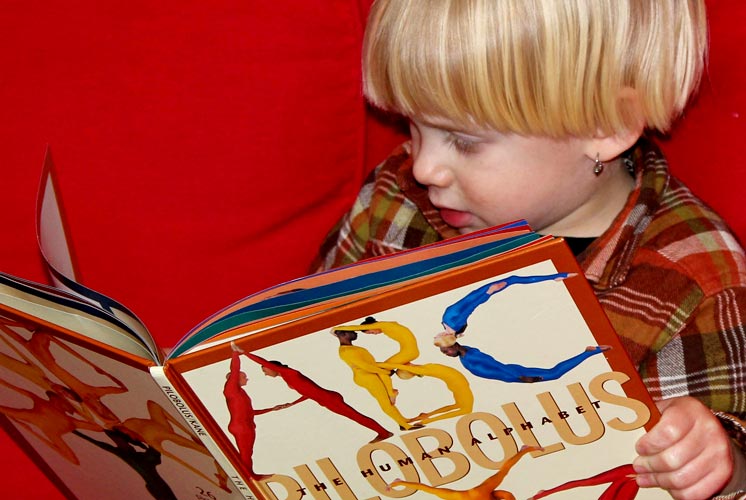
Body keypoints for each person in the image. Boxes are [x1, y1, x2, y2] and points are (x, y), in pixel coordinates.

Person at [314, 1, 746, 498]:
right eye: (413, 126)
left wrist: (720, 461)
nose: (424, 167)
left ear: (605, 126)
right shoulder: (396, 203)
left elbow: (729, 439)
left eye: (463, 140)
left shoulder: (693, 276)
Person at [242, 350, 393, 442]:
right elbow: (309, 392)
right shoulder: (286, 377)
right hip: (326, 400)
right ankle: (382, 432)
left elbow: (264, 362)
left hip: (329, 398)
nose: (265, 374)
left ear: (271, 367)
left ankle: (384, 432)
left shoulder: (290, 373)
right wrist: (292, 403)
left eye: (265, 370)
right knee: (355, 417)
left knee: (356, 416)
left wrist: (245, 353)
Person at [435, 333, 610, 383]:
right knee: (553, 372)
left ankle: (589, 352)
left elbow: (495, 365)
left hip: (512, 372)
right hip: (511, 374)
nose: (446, 354)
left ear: (453, 345)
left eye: (446, 351)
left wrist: (520, 377)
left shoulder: (471, 355)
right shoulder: (466, 353)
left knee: (554, 374)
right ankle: (589, 352)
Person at [441, 273, 577, 335]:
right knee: (513, 279)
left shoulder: (446, 324)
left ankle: (557, 276)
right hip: (481, 294)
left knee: (513, 279)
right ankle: (556, 277)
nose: (436, 336)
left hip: (476, 293)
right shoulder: (455, 325)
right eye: (438, 339)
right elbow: (471, 308)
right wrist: (489, 292)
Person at [388, 445, 538, 500]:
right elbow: (505, 494)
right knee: (431, 490)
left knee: (431, 490)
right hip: (475, 494)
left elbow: (505, 494)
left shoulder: (488, 493)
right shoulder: (490, 493)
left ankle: (524, 450)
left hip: (472, 495)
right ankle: (524, 450)